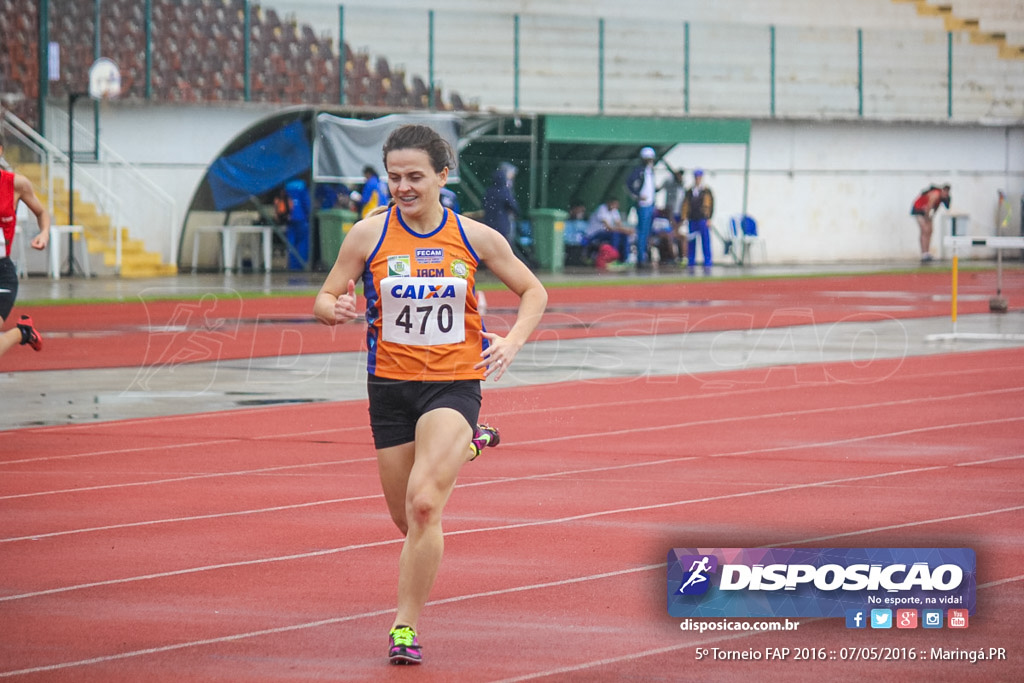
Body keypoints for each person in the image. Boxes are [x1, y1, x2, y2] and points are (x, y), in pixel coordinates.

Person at [313, 124, 547, 666]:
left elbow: (533, 290)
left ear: (444, 175)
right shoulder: (366, 235)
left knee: (424, 505)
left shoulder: (475, 236)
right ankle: (468, 446)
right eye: (394, 177)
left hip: (453, 382)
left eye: (415, 176)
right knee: (407, 519)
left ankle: (404, 626)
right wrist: (336, 310)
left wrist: (511, 341)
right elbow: (325, 296)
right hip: (390, 389)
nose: (403, 186)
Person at [0, 134, 49, 359]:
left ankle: (22, 332)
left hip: (2, 274)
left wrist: (44, 232)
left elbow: (41, 211)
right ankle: (25, 331)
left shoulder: (16, 184)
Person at [625, 146, 657, 267]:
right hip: (643, 205)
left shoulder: (651, 171)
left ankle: (645, 255)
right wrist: (637, 196)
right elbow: (629, 184)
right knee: (642, 232)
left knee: (648, 232)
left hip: (650, 204)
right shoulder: (639, 171)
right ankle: (640, 259)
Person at [682, 169, 714, 273]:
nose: (697, 179)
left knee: (705, 241)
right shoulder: (690, 191)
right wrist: (685, 217)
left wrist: (709, 218)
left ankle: (707, 262)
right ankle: (691, 261)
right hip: (692, 219)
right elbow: (685, 204)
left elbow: (711, 205)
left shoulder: (706, 191)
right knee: (691, 241)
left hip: (702, 219)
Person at [586, 197, 633, 265]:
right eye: (614, 204)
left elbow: (619, 225)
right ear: (609, 203)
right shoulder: (602, 209)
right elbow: (608, 227)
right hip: (594, 233)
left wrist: (626, 231)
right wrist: (625, 230)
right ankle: (612, 258)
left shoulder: (614, 211)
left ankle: (624, 259)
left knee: (624, 235)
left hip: (606, 233)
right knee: (615, 234)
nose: (615, 207)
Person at [482, 162, 520, 244]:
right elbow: (513, 205)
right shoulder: (504, 191)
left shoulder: (489, 191)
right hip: (503, 224)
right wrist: (517, 212)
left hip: (489, 223)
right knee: (504, 244)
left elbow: (484, 204)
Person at [910, 184, 950, 262]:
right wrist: (927, 218)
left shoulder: (941, 199)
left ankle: (927, 253)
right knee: (925, 230)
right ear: (943, 190)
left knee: (930, 231)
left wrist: (931, 218)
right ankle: (924, 253)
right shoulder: (935, 194)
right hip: (919, 210)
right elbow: (929, 207)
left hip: (926, 212)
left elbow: (935, 209)